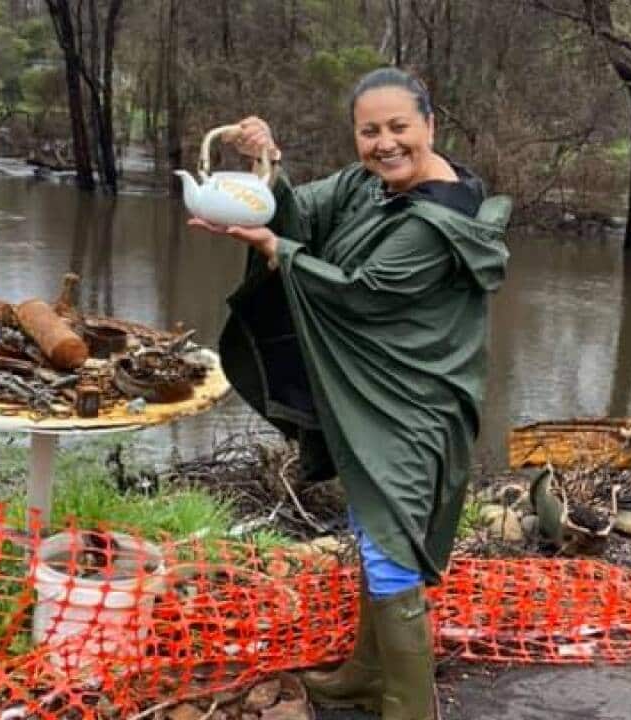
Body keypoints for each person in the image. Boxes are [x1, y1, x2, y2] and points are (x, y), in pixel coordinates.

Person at [189, 67, 511, 720]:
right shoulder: (374, 184)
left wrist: (276, 248)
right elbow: (302, 209)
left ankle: (410, 706)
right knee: (372, 530)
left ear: (430, 126)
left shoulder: (438, 221)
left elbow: (360, 292)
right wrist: (265, 163)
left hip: (415, 409)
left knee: (391, 548)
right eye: (370, 131)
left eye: (399, 127)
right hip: (374, 400)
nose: (384, 143)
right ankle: (369, 676)